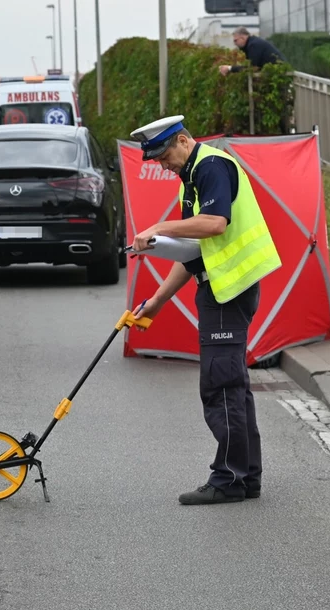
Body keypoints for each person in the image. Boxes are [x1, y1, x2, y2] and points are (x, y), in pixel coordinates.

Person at [129, 115, 282, 505]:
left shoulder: (212, 165)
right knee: (234, 387)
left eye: (164, 156)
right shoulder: (193, 176)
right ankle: (246, 477)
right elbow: (195, 252)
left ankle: (229, 479)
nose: (163, 165)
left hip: (228, 291)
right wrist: (158, 301)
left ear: (183, 140)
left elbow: (214, 224)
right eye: (157, 161)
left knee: (222, 384)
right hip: (221, 287)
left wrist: (159, 228)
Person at [219, 27, 287, 76]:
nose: (234, 43)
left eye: (236, 40)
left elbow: (252, 68)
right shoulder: (252, 43)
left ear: (243, 38)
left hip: (280, 75)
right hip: (278, 73)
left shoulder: (253, 45)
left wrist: (229, 68)